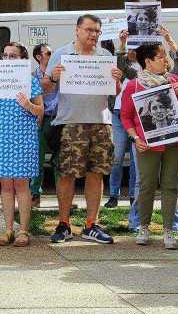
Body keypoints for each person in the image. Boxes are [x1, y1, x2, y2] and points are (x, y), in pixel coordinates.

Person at [46, 14, 124, 244]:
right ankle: (64, 224)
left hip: (101, 121)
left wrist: (117, 81)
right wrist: (53, 76)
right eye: (89, 30)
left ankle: (91, 224)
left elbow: (115, 93)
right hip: (71, 122)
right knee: (67, 173)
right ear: (77, 30)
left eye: (97, 31)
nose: (93, 35)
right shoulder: (62, 54)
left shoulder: (105, 55)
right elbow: (45, 87)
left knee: (96, 172)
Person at [119, 42, 178, 249]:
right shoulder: (134, 85)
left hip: (175, 141)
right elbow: (125, 117)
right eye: (160, 57)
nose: (166, 60)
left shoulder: (174, 80)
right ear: (148, 62)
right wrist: (135, 138)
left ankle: (169, 230)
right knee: (146, 186)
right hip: (147, 144)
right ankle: (143, 226)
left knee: (170, 185)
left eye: (165, 56)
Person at [0, 42, 44, 247]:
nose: (8, 59)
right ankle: (8, 229)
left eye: (13, 56)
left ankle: (23, 231)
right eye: (5, 55)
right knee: (6, 184)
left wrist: (28, 105)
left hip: (23, 137)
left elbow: (41, 110)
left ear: (22, 59)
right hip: (1, 136)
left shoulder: (30, 80)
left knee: (21, 184)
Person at [32, 43, 56, 207]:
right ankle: (35, 194)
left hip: (58, 118)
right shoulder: (33, 76)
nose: (51, 55)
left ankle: (62, 196)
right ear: (38, 57)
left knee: (60, 159)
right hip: (41, 119)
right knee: (37, 159)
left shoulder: (59, 72)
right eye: (48, 53)